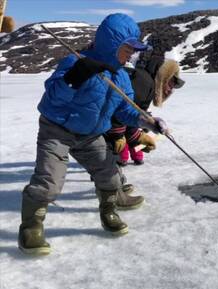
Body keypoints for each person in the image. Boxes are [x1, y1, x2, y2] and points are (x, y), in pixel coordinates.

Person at [18, 13, 167, 255]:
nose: (132, 54)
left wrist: (148, 122)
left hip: (90, 134)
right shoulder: (74, 62)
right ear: (112, 44)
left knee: (110, 175)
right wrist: (74, 78)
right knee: (49, 183)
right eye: (128, 48)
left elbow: (125, 109)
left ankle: (109, 212)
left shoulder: (120, 75)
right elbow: (52, 98)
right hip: (57, 130)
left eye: (134, 49)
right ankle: (30, 228)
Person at [105, 57, 184, 207]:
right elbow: (119, 110)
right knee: (107, 159)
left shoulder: (147, 83)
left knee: (110, 158)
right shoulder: (144, 83)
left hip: (109, 124)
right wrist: (117, 135)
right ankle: (114, 196)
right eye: (172, 82)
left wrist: (141, 133)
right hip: (105, 124)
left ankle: (117, 186)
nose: (171, 89)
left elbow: (132, 114)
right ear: (164, 76)